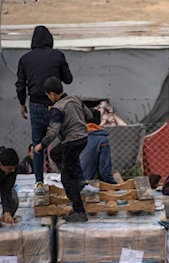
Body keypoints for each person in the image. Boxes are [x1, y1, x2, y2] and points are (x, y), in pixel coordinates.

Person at [16, 25, 73, 194]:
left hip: (35, 106)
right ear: (50, 39)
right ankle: (72, 177)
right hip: (57, 106)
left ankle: (39, 182)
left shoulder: (25, 59)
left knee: (38, 144)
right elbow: (68, 79)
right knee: (68, 140)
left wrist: (21, 103)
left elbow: (20, 85)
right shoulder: (58, 56)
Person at [34, 77, 90, 222]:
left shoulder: (57, 108)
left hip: (72, 141)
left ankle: (79, 211)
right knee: (56, 153)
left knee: (66, 177)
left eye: (48, 95)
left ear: (52, 94)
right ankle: (78, 179)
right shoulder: (75, 99)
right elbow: (89, 115)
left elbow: (53, 132)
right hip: (83, 138)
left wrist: (41, 145)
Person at [79, 110, 117, 184]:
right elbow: (104, 171)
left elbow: (56, 154)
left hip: (73, 182)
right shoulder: (102, 140)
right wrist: (116, 186)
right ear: (99, 122)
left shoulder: (74, 137)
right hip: (90, 184)